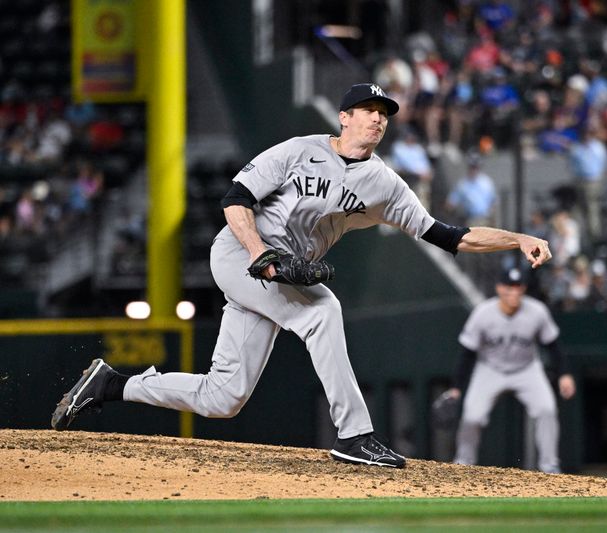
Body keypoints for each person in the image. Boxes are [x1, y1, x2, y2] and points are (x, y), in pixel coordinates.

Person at [50, 83, 553, 469]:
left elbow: (449, 235)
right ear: (345, 117)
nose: (378, 121)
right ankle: (354, 435)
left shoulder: (385, 184)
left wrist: (516, 238)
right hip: (238, 255)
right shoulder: (298, 149)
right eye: (369, 112)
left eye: (384, 115)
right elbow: (236, 200)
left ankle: (113, 385)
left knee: (223, 397)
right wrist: (261, 255)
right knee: (322, 309)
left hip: (279, 275)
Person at [444, 267, 574, 473]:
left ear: (523, 288)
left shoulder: (537, 311)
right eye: (508, 287)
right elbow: (467, 353)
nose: (513, 291)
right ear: (499, 288)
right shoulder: (483, 314)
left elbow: (554, 347)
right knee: (472, 416)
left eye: (517, 286)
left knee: (546, 409)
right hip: (490, 369)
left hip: (527, 369)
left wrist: (564, 374)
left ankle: (550, 466)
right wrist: (456, 388)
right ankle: (463, 463)